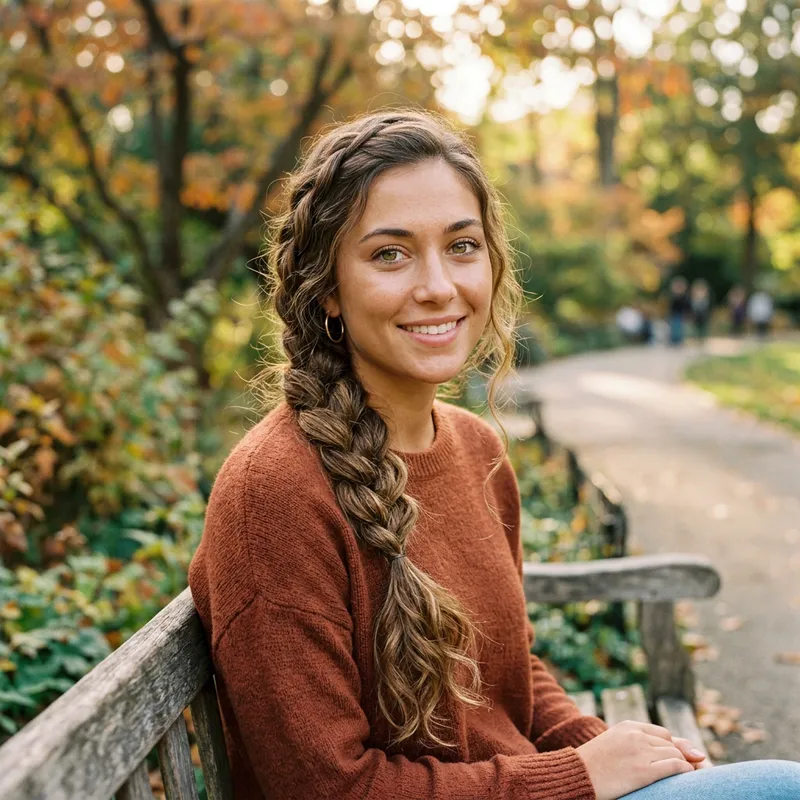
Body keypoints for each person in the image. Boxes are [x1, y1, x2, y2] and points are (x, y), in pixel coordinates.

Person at [188, 110, 800, 800]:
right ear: (327, 288)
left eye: (462, 246)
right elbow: (327, 788)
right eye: (390, 253)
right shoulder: (272, 493)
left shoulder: (476, 448)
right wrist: (576, 778)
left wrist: (596, 745)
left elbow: (512, 675)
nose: (439, 287)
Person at [666, 276, 690, 346]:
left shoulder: (684, 296)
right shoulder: (673, 296)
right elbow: (670, 305)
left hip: (681, 314)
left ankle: (679, 340)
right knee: (674, 327)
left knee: (680, 328)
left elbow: (686, 306)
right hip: (674, 314)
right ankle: (673, 340)